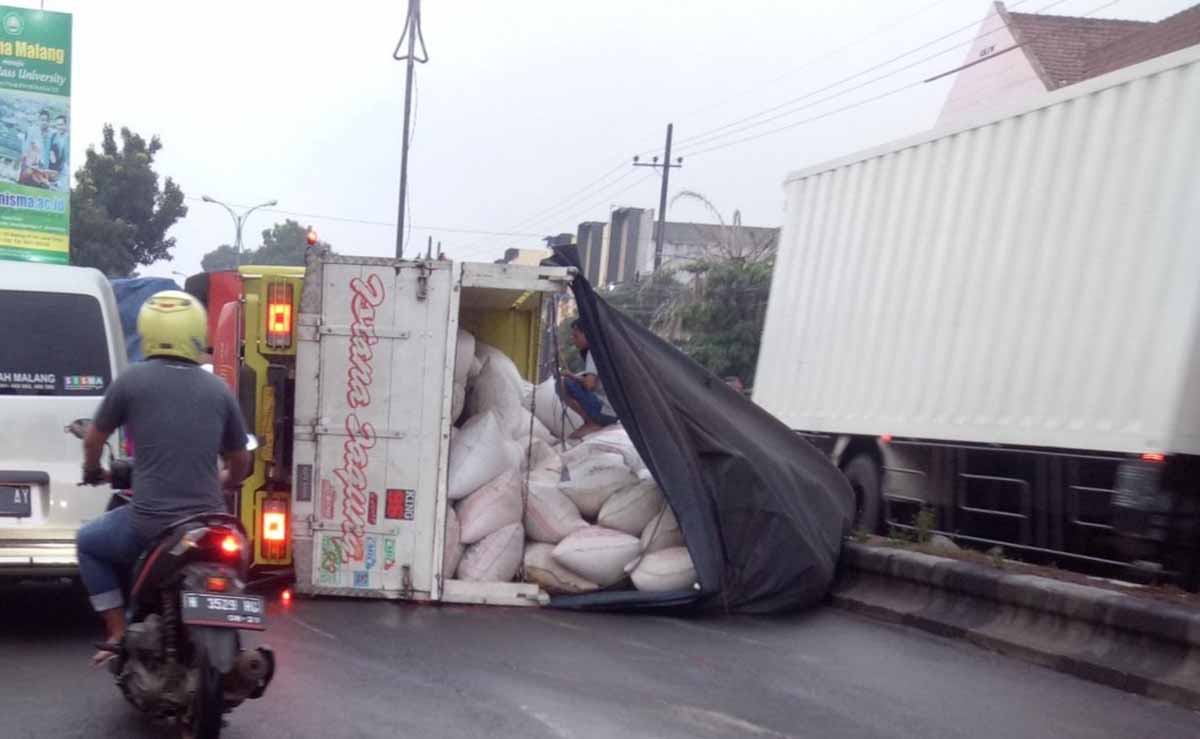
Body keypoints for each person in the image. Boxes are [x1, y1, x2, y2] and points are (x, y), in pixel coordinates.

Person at [76, 290, 251, 667]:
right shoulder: (220, 389)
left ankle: (119, 632)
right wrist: (224, 480)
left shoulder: (131, 382)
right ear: (195, 330)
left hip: (151, 524)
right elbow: (240, 461)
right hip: (211, 523)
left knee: (88, 542)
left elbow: (93, 438)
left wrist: (92, 471)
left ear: (149, 330)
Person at [561, 320, 618, 438]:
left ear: (587, 334)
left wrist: (570, 376)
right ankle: (593, 422)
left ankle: (591, 423)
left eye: (576, 336)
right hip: (614, 411)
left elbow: (589, 384)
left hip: (605, 411)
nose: (573, 340)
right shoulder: (604, 350)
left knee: (562, 383)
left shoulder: (593, 352)